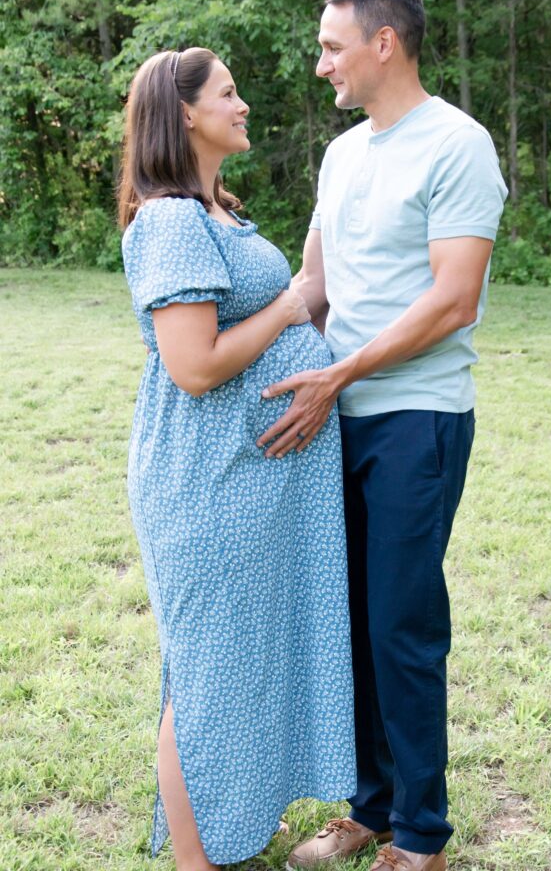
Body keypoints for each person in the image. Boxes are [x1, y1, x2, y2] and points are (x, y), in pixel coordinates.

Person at [256, 0, 508, 871]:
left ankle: (421, 835)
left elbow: (453, 299)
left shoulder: (457, 146)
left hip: (416, 414)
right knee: (349, 617)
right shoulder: (342, 155)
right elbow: (311, 288)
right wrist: (220, 345)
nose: (320, 62)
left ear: (383, 44)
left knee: (401, 620)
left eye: (331, 46)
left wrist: (346, 371)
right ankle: (368, 805)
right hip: (339, 411)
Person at [118, 47, 356, 871]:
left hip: (246, 481)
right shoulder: (171, 219)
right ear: (183, 113)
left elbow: (298, 294)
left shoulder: (219, 210)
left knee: (234, 666)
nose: (243, 103)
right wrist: (292, 303)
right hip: (203, 483)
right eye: (228, 92)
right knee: (206, 677)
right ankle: (196, 863)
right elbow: (194, 365)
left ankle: (229, 831)